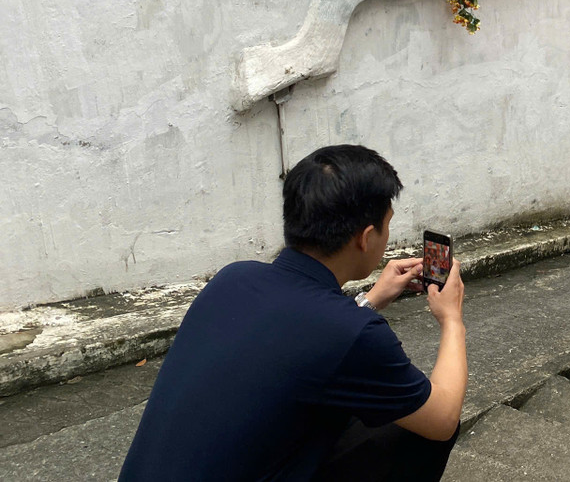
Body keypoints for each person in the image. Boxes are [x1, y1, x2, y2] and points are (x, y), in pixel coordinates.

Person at [120, 144, 467, 482]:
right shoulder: (355, 334)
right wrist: (451, 320)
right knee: (416, 426)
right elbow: (442, 418)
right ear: (365, 237)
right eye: (386, 225)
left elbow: (300, 341)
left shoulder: (234, 277)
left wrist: (371, 299)